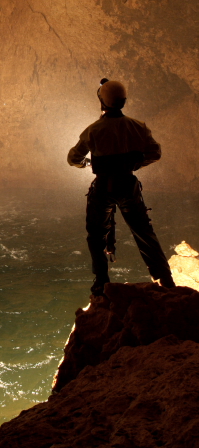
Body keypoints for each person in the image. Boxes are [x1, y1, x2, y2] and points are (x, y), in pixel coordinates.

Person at [67, 78, 175, 296]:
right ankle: (165, 279)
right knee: (144, 232)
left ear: (102, 101)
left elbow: (73, 158)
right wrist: (134, 163)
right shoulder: (137, 127)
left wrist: (87, 163)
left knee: (96, 235)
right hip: (128, 185)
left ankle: (101, 282)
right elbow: (155, 153)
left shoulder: (94, 130)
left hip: (103, 188)